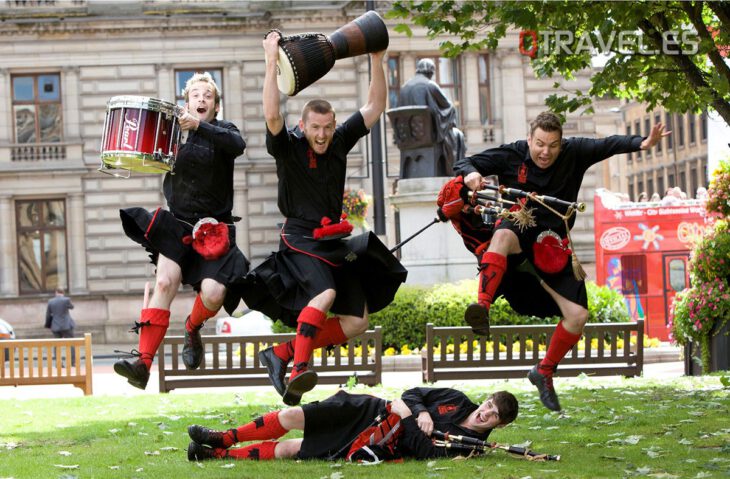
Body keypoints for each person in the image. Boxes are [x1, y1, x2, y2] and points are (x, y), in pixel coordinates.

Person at [442, 111, 668, 411]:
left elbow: (609, 144)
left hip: (552, 244)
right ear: (529, 140)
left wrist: (642, 142)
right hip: (518, 230)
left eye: (552, 145)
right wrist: (471, 173)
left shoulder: (574, 152)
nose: (545, 152)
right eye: (539, 144)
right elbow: (464, 164)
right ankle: (481, 307)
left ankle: (544, 371)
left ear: (561, 144)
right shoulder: (512, 154)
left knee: (577, 316)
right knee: (502, 236)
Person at [242, 32, 406, 406]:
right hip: (300, 237)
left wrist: (377, 59)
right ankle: (299, 369)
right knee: (325, 294)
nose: (322, 134)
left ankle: (281, 355)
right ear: (304, 125)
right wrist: (271, 61)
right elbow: (271, 113)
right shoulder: (289, 147)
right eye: (316, 128)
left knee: (356, 321)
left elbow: (374, 106)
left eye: (327, 127)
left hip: (333, 239)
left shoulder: (339, 142)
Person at [113, 72, 249, 390]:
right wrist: (128, 152)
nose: (201, 99)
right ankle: (142, 364)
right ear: (185, 101)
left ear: (215, 105)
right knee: (164, 282)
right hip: (178, 224)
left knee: (215, 294)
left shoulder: (224, 131)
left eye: (208, 96)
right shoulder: (170, 132)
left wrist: (199, 126)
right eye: (196, 95)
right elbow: (146, 153)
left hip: (215, 228)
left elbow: (238, 145)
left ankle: (192, 327)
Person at [186, 386, 518, 462]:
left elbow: (421, 449)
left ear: (499, 426)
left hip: (378, 438)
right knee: (290, 416)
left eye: (491, 416)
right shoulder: (459, 399)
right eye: (487, 405)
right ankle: (225, 437)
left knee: (291, 450)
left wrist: (407, 414)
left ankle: (216, 457)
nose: (483, 414)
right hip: (367, 408)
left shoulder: (470, 447)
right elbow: (413, 393)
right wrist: (423, 412)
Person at [398, 58, 466, 175]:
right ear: (430, 72)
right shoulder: (430, 85)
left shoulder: (404, 88)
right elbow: (449, 107)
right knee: (458, 135)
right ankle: (455, 174)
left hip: (407, 138)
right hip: (429, 136)